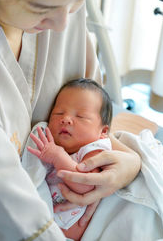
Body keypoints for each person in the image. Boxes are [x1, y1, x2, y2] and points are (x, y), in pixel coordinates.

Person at [0, 0, 143, 240]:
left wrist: (129, 162)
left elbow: (97, 121)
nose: (63, 24)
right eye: (42, 8)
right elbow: (10, 215)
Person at [27, 78, 113, 240]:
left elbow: (87, 185)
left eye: (81, 116)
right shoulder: (48, 140)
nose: (66, 119)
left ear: (103, 131)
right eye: (58, 113)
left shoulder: (94, 149)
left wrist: (58, 157)